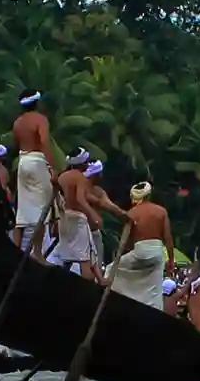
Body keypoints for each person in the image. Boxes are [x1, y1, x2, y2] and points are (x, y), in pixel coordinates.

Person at [108, 182, 174, 311]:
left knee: (111, 269)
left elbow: (126, 242)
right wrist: (171, 259)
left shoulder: (132, 213)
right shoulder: (161, 211)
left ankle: (118, 302)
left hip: (139, 251)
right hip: (156, 252)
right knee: (155, 289)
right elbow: (168, 239)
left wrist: (120, 255)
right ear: (149, 195)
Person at [11, 90, 56, 249]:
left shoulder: (18, 122)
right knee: (43, 206)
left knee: (22, 209)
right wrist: (52, 167)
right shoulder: (40, 119)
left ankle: (16, 247)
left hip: (23, 161)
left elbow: (16, 143)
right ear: (37, 103)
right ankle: (37, 251)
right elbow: (44, 142)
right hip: (37, 161)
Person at [52, 149, 102, 283]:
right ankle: (88, 288)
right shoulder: (79, 177)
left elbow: (56, 196)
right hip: (77, 218)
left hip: (64, 217)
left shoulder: (62, 177)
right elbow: (80, 199)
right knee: (85, 258)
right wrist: (93, 215)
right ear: (82, 163)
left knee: (67, 256)